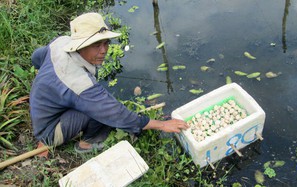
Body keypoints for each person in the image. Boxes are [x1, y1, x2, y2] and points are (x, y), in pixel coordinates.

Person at [30, 12, 189, 153]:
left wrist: (49, 81)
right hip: (49, 129)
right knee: (99, 112)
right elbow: (114, 112)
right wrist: (162, 125)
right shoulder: (77, 83)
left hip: (42, 109)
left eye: (106, 43)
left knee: (95, 103)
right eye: (96, 45)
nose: (104, 50)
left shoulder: (61, 42)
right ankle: (86, 144)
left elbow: (36, 57)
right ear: (79, 46)